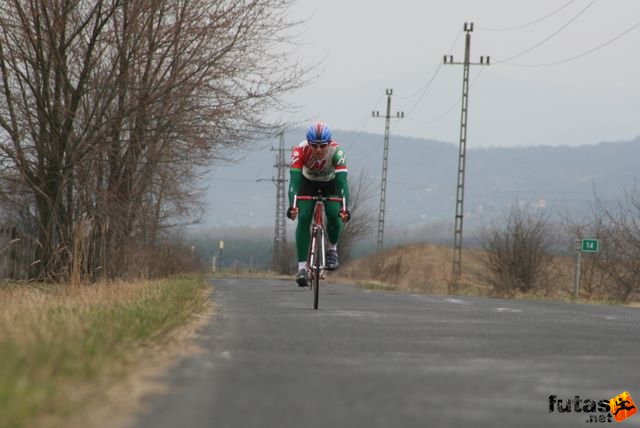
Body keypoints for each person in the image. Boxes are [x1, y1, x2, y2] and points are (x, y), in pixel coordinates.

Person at [286, 122, 350, 287]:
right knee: (305, 216)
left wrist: (344, 209)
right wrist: (292, 207)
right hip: (307, 182)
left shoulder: (337, 153)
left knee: (334, 215)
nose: (319, 150)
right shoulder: (300, 151)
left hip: (331, 184)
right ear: (309, 143)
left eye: (323, 146)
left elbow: (342, 183)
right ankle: (301, 268)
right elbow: (294, 182)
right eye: (314, 146)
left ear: (329, 144)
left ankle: (332, 249)